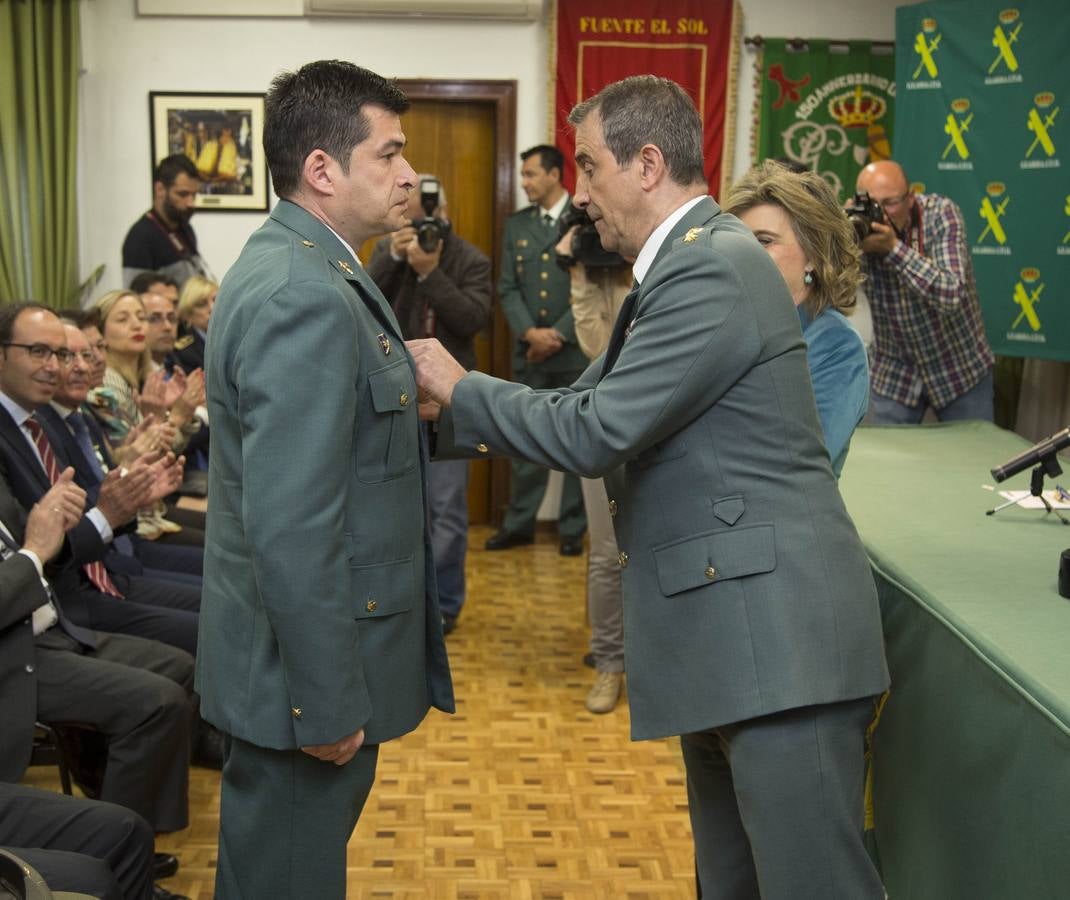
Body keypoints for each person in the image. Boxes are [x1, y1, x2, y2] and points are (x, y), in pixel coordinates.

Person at [409, 75, 889, 898]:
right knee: (731, 880)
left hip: (776, 647)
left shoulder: (710, 269)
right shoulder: (681, 271)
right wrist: (450, 409)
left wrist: (458, 385)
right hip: (729, 640)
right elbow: (580, 404)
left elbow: (597, 432)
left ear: (646, 164)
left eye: (588, 169)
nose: (578, 195)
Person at [196, 59, 455, 900]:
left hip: (301, 671)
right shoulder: (301, 290)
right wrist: (325, 698)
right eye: (389, 153)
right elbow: (293, 521)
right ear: (322, 169)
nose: (408, 173)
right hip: (301, 685)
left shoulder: (312, 265)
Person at [0, 462, 194, 894]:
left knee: (179, 666)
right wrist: (34, 550)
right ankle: (121, 851)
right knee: (156, 701)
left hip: (53, 624)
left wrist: (92, 513)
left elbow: (53, 548)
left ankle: (135, 830)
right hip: (14, 656)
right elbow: (35, 553)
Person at [367, 175, 492, 635]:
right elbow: (360, 299)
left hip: (450, 407)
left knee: (448, 511)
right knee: (393, 507)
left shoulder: (470, 260)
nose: (422, 221)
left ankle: (445, 605)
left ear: (444, 210)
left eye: (429, 211)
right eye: (414, 210)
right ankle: (401, 602)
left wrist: (430, 273)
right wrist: (394, 256)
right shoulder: (390, 254)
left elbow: (472, 318)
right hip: (394, 401)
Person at [725, 160, 869, 476]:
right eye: (738, 240)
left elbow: (797, 465)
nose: (744, 253)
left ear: (813, 256)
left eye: (764, 240)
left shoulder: (837, 346)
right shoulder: (729, 326)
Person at [487, 144, 587, 556]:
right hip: (530, 352)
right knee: (523, 440)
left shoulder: (583, 221)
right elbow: (507, 287)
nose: (524, 182)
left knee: (579, 444)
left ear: (553, 174)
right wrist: (531, 333)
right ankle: (520, 524)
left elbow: (591, 288)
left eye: (530, 174)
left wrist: (557, 335)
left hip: (575, 350)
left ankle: (572, 530)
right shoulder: (517, 226)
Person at [552, 225, 632, 713]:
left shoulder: (655, 269)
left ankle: (649, 657)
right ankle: (609, 664)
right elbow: (598, 349)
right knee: (605, 554)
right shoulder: (590, 275)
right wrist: (580, 274)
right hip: (600, 426)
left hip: (658, 427)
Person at [855, 160, 994, 423]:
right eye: (872, 204)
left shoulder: (940, 214)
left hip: (959, 367)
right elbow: (834, 291)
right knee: (888, 460)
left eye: (890, 203)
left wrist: (893, 248)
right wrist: (847, 239)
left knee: (971, 455)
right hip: (896, 370)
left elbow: (951, 294)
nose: (881, 214)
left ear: (910, 198)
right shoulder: (856, 225)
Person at [121, 155, 211, 290]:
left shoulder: (185, 229)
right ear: (160, 189)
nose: (191, 203)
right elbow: (137, 299)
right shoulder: (140, 237)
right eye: (183, 194)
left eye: (194, 195)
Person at [172, 276, 217, 374]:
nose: (212, 308)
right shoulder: (184, 353)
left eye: (216, 300)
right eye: (202, 304)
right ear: (188, 315)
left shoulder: (236, 336)